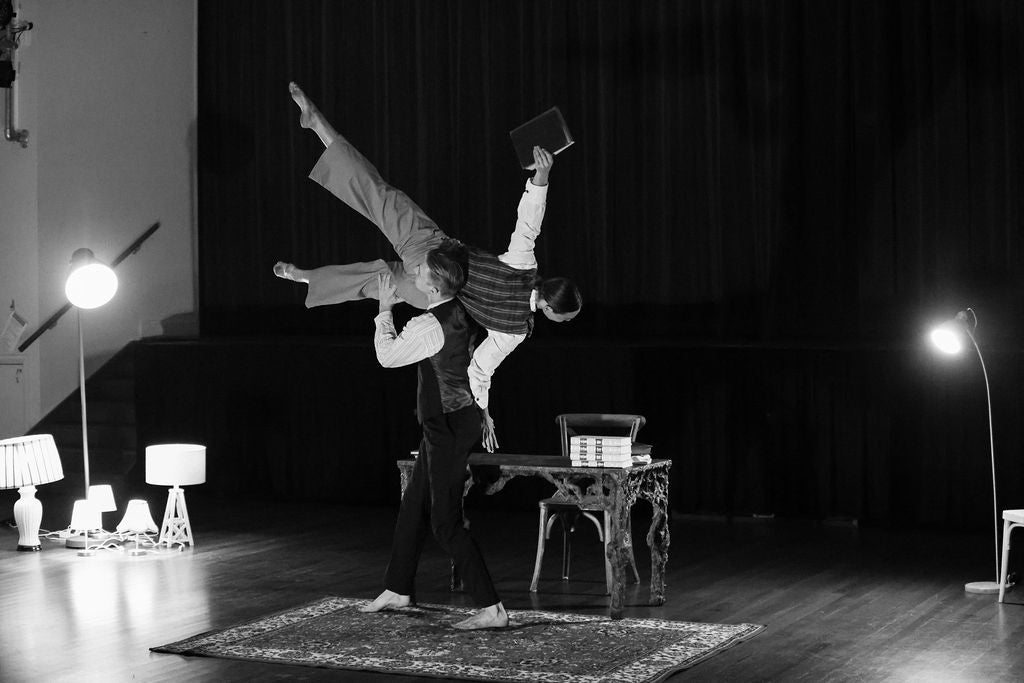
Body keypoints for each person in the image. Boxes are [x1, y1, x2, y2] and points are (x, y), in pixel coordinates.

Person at [276, 83, 582, 450]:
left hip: (432, 253)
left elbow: (528, 223)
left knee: (378, 195)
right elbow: (480, 369)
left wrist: (541, 177)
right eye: (564, 318)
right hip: (430, 293)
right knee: (377, 283)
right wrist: (483, 411)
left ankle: (317, 125)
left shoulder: (524, 265)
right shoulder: (515, 331)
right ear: (549, 307)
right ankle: (305, 276)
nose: (563, 323)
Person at [360, 252, 508, 630]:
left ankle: (492, 608)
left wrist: (384, 312)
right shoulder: (461, 309)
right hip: (452, 420)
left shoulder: (428, 324)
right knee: (414, 507)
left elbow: (388, 357)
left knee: (445, 523)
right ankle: (397, 588)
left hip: (447, 426)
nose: (416, 271)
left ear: (435, 285)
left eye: (422, 270)